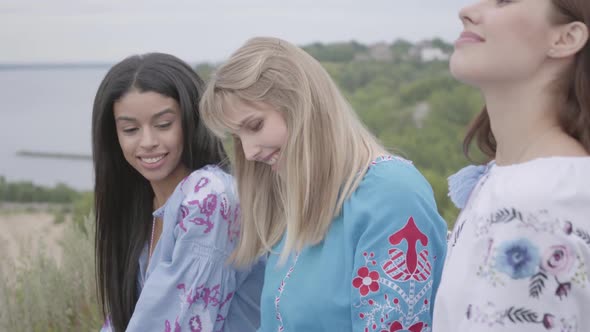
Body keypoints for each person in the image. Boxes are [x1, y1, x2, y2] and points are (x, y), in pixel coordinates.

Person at [199, 37, 448, 331]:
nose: (250, 151)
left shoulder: (392, 194)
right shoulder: (298, 200)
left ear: (300, 104)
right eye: (237, 137)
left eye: (255, 126)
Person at [433, 0, 590, 331]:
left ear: (566, 38)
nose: (467, 11)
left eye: (504, 1)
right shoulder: (512, 179)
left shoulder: (543, 198)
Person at [92, 53, 264, 332]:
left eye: (163, 124)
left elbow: (173, 322)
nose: (148, 142)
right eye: (130, 129)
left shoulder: (209, 196)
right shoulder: (142, 210)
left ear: (191, 121)